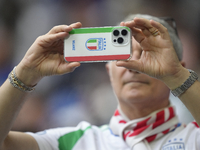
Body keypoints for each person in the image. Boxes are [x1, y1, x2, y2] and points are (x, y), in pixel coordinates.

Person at [0, 14, 200, 150]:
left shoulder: (194, 138)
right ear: (108, 69)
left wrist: (176, 75)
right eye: (124, 54)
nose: (134, 66)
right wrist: (25, 73)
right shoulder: (75, 141)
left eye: (149, 56)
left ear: (177, 67)